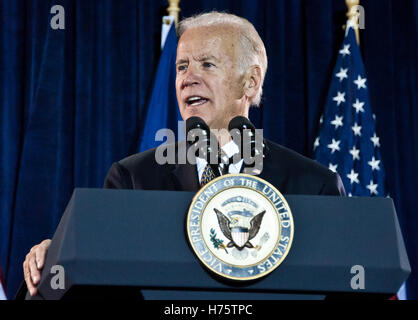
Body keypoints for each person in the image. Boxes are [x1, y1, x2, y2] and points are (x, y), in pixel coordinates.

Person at [22, 12, 345, 297]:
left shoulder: (314, 185)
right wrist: (60, 257)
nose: (188, 78)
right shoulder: (133, 177)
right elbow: (103, 274)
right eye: (182, 66)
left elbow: (343, 283)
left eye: (207, 64)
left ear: (250, 81)